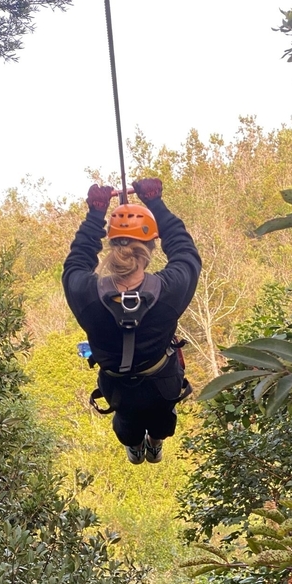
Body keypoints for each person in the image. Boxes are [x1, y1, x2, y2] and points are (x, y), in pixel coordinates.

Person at [62, 178, 201, 464]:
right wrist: (155, 202)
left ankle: (137, 446)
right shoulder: (169, 291)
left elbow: (77, 261)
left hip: (117, 385)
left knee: (127, 422)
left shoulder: (85, 294)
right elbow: (185, 253)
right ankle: (154, 443)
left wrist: (95, 213)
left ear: (112, 246)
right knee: (163, 419)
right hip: (162, 378)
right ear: (150, 247)